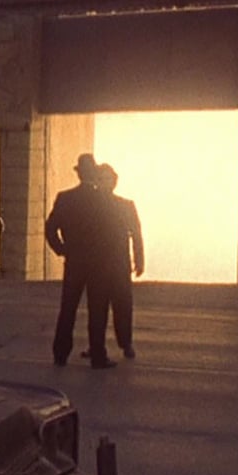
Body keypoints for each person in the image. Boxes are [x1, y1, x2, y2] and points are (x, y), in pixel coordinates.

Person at [45, 153, 114, 369]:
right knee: (98, 310)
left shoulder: (65, 198)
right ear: (93, 173)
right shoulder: (104, 200)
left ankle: (60, 354)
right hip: (99, 263)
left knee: (68, 308)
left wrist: (62, 249)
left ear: (79, 173)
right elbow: (111, 233)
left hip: (74, 261)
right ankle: (98, 356)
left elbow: (50, 228)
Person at [87, 164, 144, 360]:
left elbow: (136, 234)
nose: (105, 183)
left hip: (117, 264)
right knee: (97, 309)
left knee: (122, 306)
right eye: (102, 179)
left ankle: (126, 343)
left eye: (108, 179)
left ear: (114, 182)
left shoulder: (124, 205)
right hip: (100, 264)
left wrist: (139, 259)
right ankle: (98, 346)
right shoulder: (93, 206)